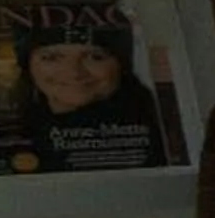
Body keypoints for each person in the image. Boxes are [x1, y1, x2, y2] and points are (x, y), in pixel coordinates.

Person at [12, 19, 169, 172]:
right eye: (52, 58)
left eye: (95, 57)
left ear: (121, 65)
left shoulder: (161, 135)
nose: (74, 72)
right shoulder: (12, 133)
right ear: (28, 66)